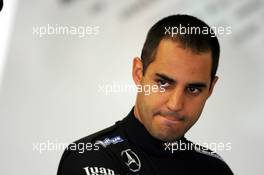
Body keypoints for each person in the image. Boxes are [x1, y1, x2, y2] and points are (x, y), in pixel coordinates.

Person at [57, 14, 233, 175]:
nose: (175, 104)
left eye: (193, 89)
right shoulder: (91, 157)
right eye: (163, 83)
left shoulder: (215, 169)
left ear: (210, 89)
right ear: (138, 73)